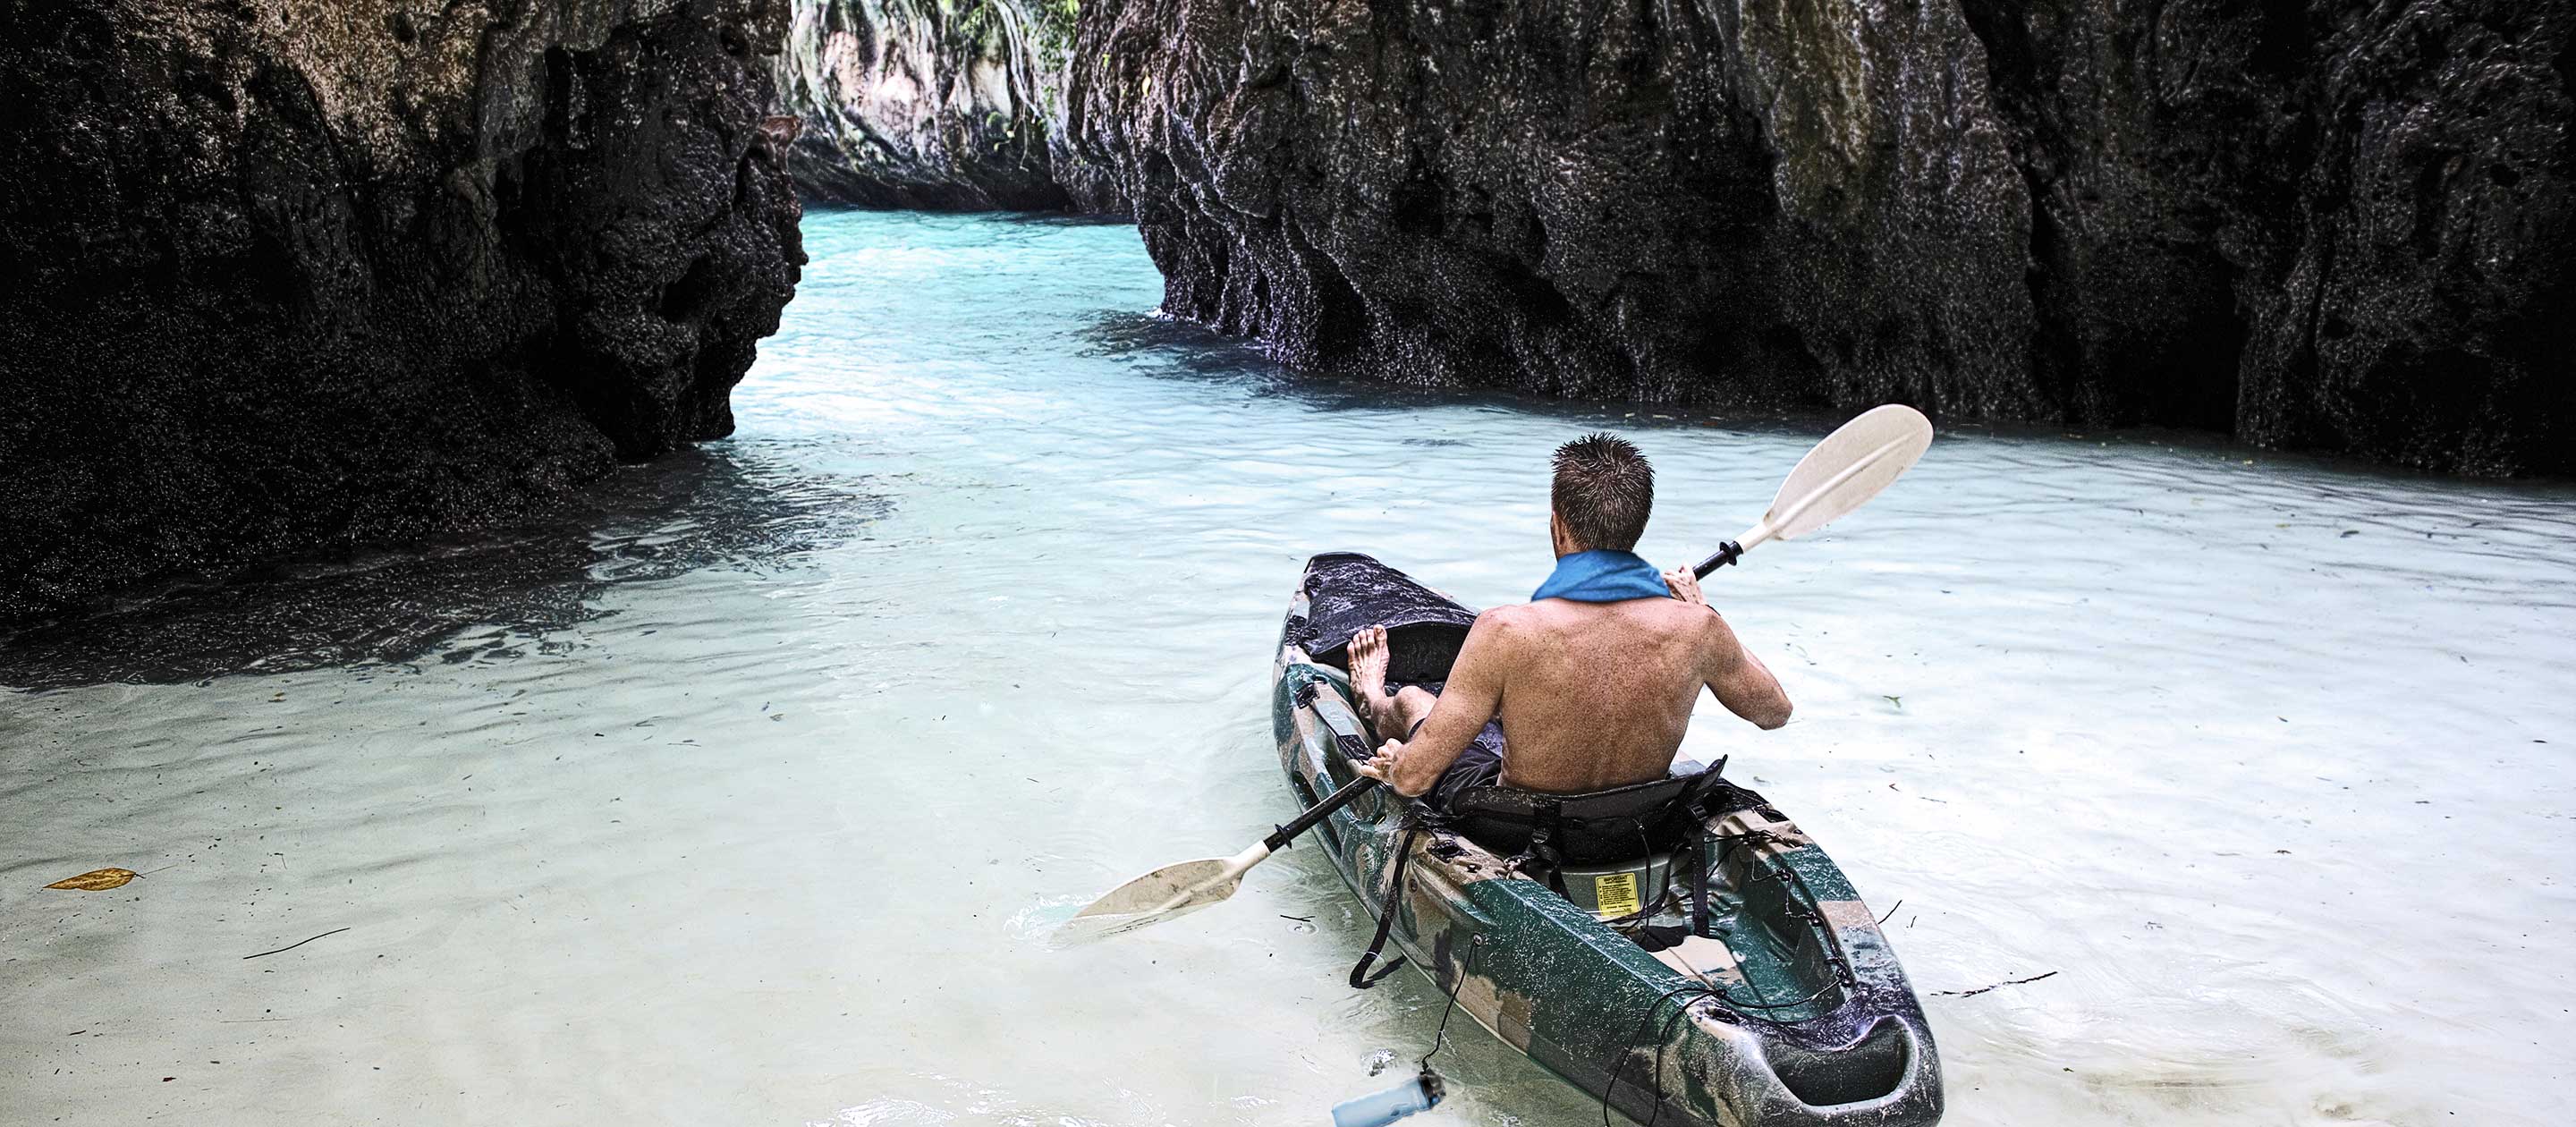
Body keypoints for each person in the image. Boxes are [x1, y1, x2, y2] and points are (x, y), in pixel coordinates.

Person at [1348, 433, 1791, 808]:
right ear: (1636, 528)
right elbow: (1775, 713)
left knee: (1410, 700)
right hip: (1634, 825)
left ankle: (1371, 698)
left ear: (1557, 526)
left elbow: (1413, 782)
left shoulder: (1505, 631)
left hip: (1523, 827)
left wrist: (1397, 764)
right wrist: (1704, 612)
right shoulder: (1700, 630)